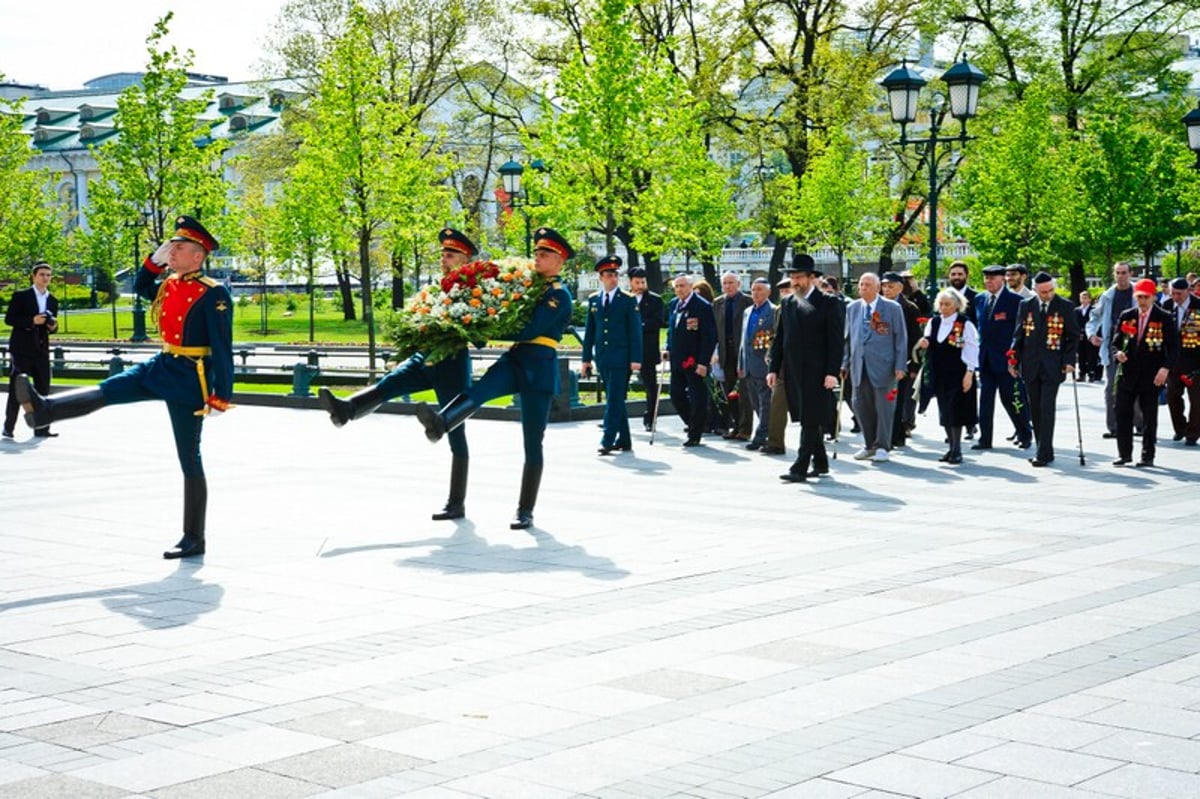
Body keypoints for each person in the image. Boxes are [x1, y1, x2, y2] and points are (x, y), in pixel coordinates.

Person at [15, 216, 232, 559]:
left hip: (192, 377)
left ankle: (194, 537)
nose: (172, 253)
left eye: (179, 248)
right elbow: (144, 282)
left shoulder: (213, 293)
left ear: (198, 256)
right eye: (171, 247)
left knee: (189, 457)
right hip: (163, 364)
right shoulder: (170, 284)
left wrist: (222, 394)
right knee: (110, 388)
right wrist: (154, 259)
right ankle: (44, 409)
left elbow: (222, 346)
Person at [415, 227, 574, 530]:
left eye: (545, 254)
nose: (537, 258)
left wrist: (484, 329)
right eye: (537, 253)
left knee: (532, 442)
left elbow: (530, 329)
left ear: (559, 260)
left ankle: (525, 509)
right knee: (479, 391)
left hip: (539, 366)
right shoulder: (529, 286)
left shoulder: (558, 295)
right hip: (515, 359)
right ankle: (441, 423)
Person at [318, 227, 477, 520]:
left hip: (452, 360)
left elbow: (479, 334)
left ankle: (456, 502)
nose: (444, 258)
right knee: (390, 383)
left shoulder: (476, 289)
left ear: (465, 259)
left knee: (455, 429)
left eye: (451, 254)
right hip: (424, 356)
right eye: (442, 253)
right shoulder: (435, 287)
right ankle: (345, 410)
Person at [768, 254, 843, 482]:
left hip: (818, 371)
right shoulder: (788, 303)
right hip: (792, 370)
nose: (795, 282)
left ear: (812, 278)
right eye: (792, 277)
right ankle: (820, 462)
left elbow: (836, 340)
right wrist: (774, 367)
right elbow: (780, 338)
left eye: (799, 277)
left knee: (811, 418)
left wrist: (832, 372)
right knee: (807, 415)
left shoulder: (829, 303)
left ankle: (800, 466)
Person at [1008, 272, 1079, 467]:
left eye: (1050, 291)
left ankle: (1043, 452)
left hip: (1053, 366)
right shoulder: (1026, 305)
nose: (1047, 295)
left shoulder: (1065, 306)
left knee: (1047, 407)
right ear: (1035, 290)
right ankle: (1043, 448)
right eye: (1043, 292)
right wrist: (1013, 360)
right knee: (1036, 409)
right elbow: (1018, 335)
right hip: (1030, 364)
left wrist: (1069, 360)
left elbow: (1072, 337)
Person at [1111, 278, 1178, 467]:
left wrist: (1165, 369)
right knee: (1122, 412)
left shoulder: (1163, 317)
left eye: (1146, 297)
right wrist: (1118, 353)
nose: (1142, 301)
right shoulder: (1127, 315)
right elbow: (1116, 342)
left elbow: (1173, 348)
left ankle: (1148, 455)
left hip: (1151, 374)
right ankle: (1124, 453)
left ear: (1153, 297)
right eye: (1139, 297)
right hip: (1128, 372)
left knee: (1149, 416)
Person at [842, 273, 907, 463]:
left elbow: (900, 338)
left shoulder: (892, 308)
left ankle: (883, 446)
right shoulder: (852, 308)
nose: (863, 288)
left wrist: (900, 365)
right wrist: (844, 363)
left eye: (868, 285)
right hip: (858, 366)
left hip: (884, 367)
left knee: (884, 407)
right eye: (861, 284)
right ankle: (869, 444)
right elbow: (847, 339)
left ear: (877, 287)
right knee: (860, 406)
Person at [582, 255, 642, 455]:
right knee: (615, 399)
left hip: (621, 359)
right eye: (609, 275)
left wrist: (636, 359)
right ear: (601, 277)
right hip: (603, 358)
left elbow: (635, 332)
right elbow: (590, 332)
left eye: (615, 275)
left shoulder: (627, 300)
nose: (613, 278)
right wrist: (586, 359)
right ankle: (624, 439)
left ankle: (607, 439)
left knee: (614, 400)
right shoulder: (594, 300)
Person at [973, 265, 1033, 451]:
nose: (988, 281)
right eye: (986, 278)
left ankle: (1024, 433)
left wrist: (1016, 357)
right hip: (986, 358)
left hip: (1007, 360)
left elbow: (1020, 331)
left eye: (993, 278)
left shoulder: (1015, 301)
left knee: (1012, 399)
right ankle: (985, 438)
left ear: (1002, 280)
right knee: (985, 400)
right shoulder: (980, 299)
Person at [917, 288, 978, 464]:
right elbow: (928, 342)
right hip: (939, 373)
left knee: (956, 410)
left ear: (957, 305)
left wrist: (969, 372)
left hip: (958, 373)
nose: (944, 308)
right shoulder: (934, 322)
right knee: (944, 411)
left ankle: (957, 449)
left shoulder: (965, 324)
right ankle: (951, 447)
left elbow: (972, 349)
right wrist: (923, 343)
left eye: (948, 304)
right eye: (941, 304)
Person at [4, 262, 59, 439]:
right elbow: (9, 319)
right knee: (17, 388)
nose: (46, 278)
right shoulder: (21, 296)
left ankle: (42, 428)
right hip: (21, 350)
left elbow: (52, 326)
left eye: (48, 275)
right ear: (34, 276)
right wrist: (31, 321)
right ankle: (8, 427)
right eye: (42, 274)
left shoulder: (52, 300)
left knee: (43, 388)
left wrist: (52, 326)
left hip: (41, 350)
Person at [664, 274, 717, 447]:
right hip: (677, 359)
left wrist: (703, 362)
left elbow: (709, 336)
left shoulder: (702, 306)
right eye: (676, 286)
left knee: (697, 397)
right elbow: (671, 330)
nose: (679, 289)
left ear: (690, 286)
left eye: (682, 286)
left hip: (695, 361)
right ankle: (694, 423)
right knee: (676, 395)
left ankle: (695, 433)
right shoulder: (674, 304)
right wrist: (667, 348)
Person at [1087, 262, 1137, 439]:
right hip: (1112, 345)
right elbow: (1094, 316)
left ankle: (1138, 422)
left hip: (1136, 344)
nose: (1121, 276)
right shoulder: (1108, 295)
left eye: (1124, 272)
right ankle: (1113, 426)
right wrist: (1092, 334)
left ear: (1130, 273)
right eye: (1117, 273)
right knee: (1111, 387)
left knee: (1137, 384)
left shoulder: (1138, 294)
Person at [880, 272, 922, 449]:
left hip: (902, 359)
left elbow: (915, 338)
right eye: (884, 286)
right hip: (881, 358)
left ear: (900, 287)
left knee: (898, 399)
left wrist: (914, 364)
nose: (887, 290)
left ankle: (897, 434)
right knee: (883, 399)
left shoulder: (910, 308)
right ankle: (885, 434)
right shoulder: (878, 306)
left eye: (891, 286)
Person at [712, 272, 753, 440]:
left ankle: (745, 429)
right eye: (724, 283)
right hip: (725, 352)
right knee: (730, 392)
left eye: (731, 283)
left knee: (744, 392)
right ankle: (734, 425)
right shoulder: (718, 303)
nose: (727, 286)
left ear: (738, 284)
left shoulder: (747, 301)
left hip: (742, 351)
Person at [738, 278, 775, 451]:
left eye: (760, 289)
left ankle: (761, 436)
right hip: (748, 365)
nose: (756, 293)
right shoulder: (747, 311)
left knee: (765, 403)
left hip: (763, 364)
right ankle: (764, 431)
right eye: (753, 289)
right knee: (755, 402)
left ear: (768, 292)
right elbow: (743, 341)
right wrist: (741, 362)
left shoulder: (773, 311)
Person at [1163, 277, 1200, 446]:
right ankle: (1180, 428)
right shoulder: (1167, 306)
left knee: (1197, 400)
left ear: (1188, 291)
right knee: (1172, 396)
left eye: (1179, 293)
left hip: (1195, 361)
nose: (1175, 297)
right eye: (1173, 293)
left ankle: (1193, 434)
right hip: (1173, 361)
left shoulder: (1198, 306)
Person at [628, 267, 665, 432]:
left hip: (647, 349)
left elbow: (658, 321)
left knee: (650, 385)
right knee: (619, 384)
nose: (640, 285)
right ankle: (614, 415)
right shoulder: (625, 299)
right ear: (630, 282)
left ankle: (650, 417)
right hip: (627, 350)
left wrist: (638, 326)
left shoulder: (655, 300)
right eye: (637, 282)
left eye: (643, 282)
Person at [763, 278, 792, 455]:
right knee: (777, 404)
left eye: (787, 290)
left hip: (804, 365)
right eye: (781, 291)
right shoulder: (779, 310)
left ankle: (817, 442)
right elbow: (776, 336)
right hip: (782, 364)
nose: (784, 294)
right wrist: (771, 356)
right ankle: (775, 443)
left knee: (810, 409)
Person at [1076, 291, 1101, 382]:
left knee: (1091, 354)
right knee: (1081, 355)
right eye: (1082, 297)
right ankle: (1082, 373)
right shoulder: (1076, 310)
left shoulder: (1093, 310)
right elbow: (1075, 323)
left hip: (1090, 334)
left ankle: (1091, 373)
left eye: (1086, 298)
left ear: (1090, 299)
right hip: (1080, 335)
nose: (1084, 300)